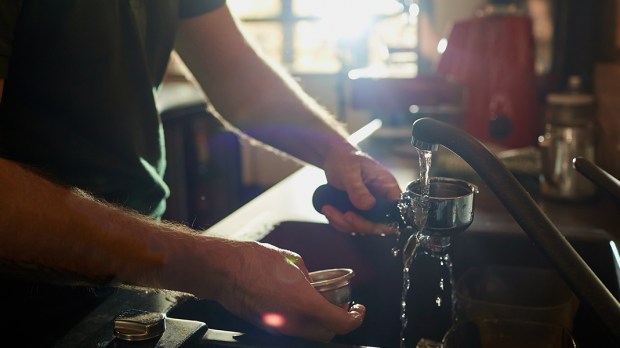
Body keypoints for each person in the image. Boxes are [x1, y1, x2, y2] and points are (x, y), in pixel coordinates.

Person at [0, 0, 401, 343]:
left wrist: (336, 151)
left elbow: (236, 74)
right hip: (23, 285)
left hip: (132, 271)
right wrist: (224, 269)